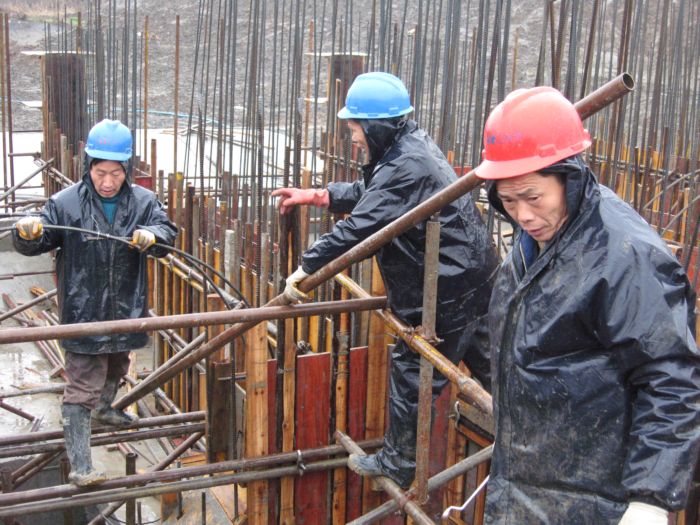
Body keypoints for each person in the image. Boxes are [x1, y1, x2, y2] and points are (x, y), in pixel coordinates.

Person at [475, 86, 700, 524]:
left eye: (533, 197)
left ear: (569, 178)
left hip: (595, 499)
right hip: (528, 484)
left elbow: (671, 379)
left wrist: (650, 499)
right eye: (508, 201)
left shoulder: (624, 256)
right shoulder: (539, 240)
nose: (522, 214)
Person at [272, 72, 499, 489]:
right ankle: (520, 431)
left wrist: (305, 269)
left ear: (375, 125)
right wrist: (319, 195)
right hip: (472, 277)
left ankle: (400, 462)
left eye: (356, 128)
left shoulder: (406, 164)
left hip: (447, 287)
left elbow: (360, 227)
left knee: (414, 367)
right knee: (492, 369)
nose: (353, 137)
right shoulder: (406, 147)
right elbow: (373, 193)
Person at [13, 119, 177, 486]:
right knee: (82, 386)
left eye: (115, 174)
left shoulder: (143, 202)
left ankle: (104, 409)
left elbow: (167, 233)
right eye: (100, 172)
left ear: (127, 169)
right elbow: (37, 240)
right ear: (88, 166)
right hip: (83, 312)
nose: (107, 182)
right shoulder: (65, 203)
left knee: (117, 364)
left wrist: (152, 235)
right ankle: (81, 465)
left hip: (125, 307)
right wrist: (26, 231)